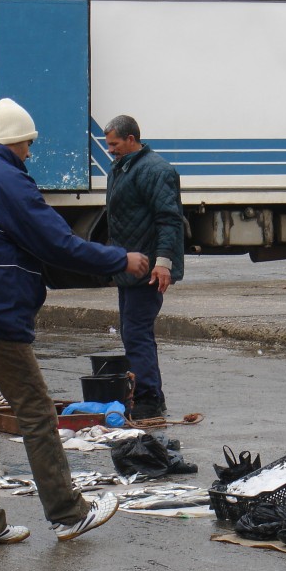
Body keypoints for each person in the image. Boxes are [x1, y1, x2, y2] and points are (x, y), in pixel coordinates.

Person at [0, 98, 149, 547]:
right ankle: (67, 513)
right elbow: (58, 244)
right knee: (36, 413)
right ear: (15, 142)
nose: (29, 154)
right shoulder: (8, 181)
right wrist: (122, 259)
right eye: (28, 145)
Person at [103, 115, 185, 420]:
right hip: (130, 266)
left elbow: (169, 219)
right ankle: (149, 395)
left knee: (136, 332)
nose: (110, 150)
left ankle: (148, 398)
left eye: (114, 144)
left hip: (148, 267)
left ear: (131, 139)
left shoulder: (155, 170)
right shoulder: (124, 167)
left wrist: (163, 263)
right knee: (131, 330)